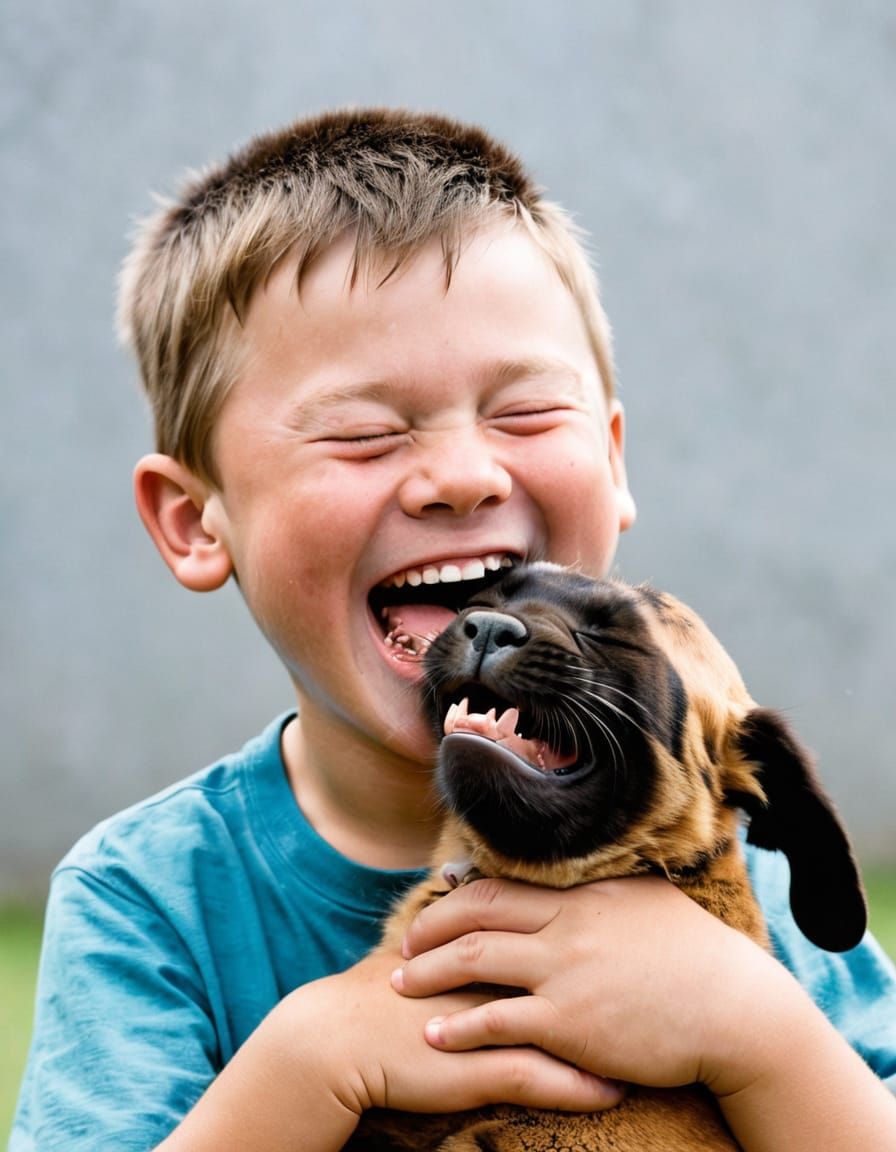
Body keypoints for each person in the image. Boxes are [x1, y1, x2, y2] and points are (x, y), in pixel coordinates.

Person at [10, 108, 896, 1152]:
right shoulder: (152, 905)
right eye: (363, 432)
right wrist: (312, 1062)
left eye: (522, 414)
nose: (464, 475)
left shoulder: (734, 854)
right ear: (196, 522)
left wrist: (752, 1032)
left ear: (612, 462)